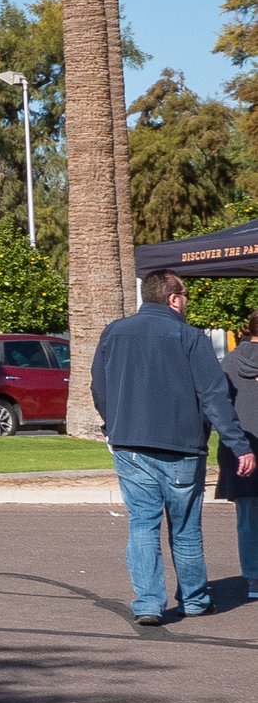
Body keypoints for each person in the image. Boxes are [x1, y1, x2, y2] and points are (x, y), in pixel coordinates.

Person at [89, 270, 256, 629]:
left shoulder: (114, 332)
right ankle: (194, 599)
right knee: (185, 528)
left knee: (143, 524)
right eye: (186, 296)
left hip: (130, 443)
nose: (187, 302)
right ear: (173, 298)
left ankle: (149, 602)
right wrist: (238, 445)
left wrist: (112, 423)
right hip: (181, 446)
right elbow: (214, 396)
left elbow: (98, 387)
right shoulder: (189, 337)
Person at [221, 313, 258, 598]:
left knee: (247, 517)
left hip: (240, 446)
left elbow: (217, 403)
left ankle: (253, 578)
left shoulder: (230, 362)